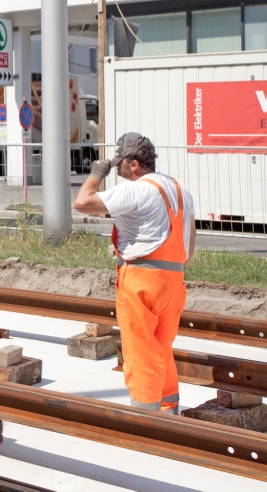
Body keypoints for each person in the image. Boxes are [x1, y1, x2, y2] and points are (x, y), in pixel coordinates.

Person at [74, 132, 196, 414]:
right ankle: (169, 410)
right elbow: (189, 242)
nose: (118, 169)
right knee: (162, 347)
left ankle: (145, 421)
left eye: (119, 163)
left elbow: (82, 202)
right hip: (174, 282)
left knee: (140, 352)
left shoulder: (137, 190)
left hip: (141, 281)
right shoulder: (180, 189)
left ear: (133, 164)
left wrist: (95, 175)